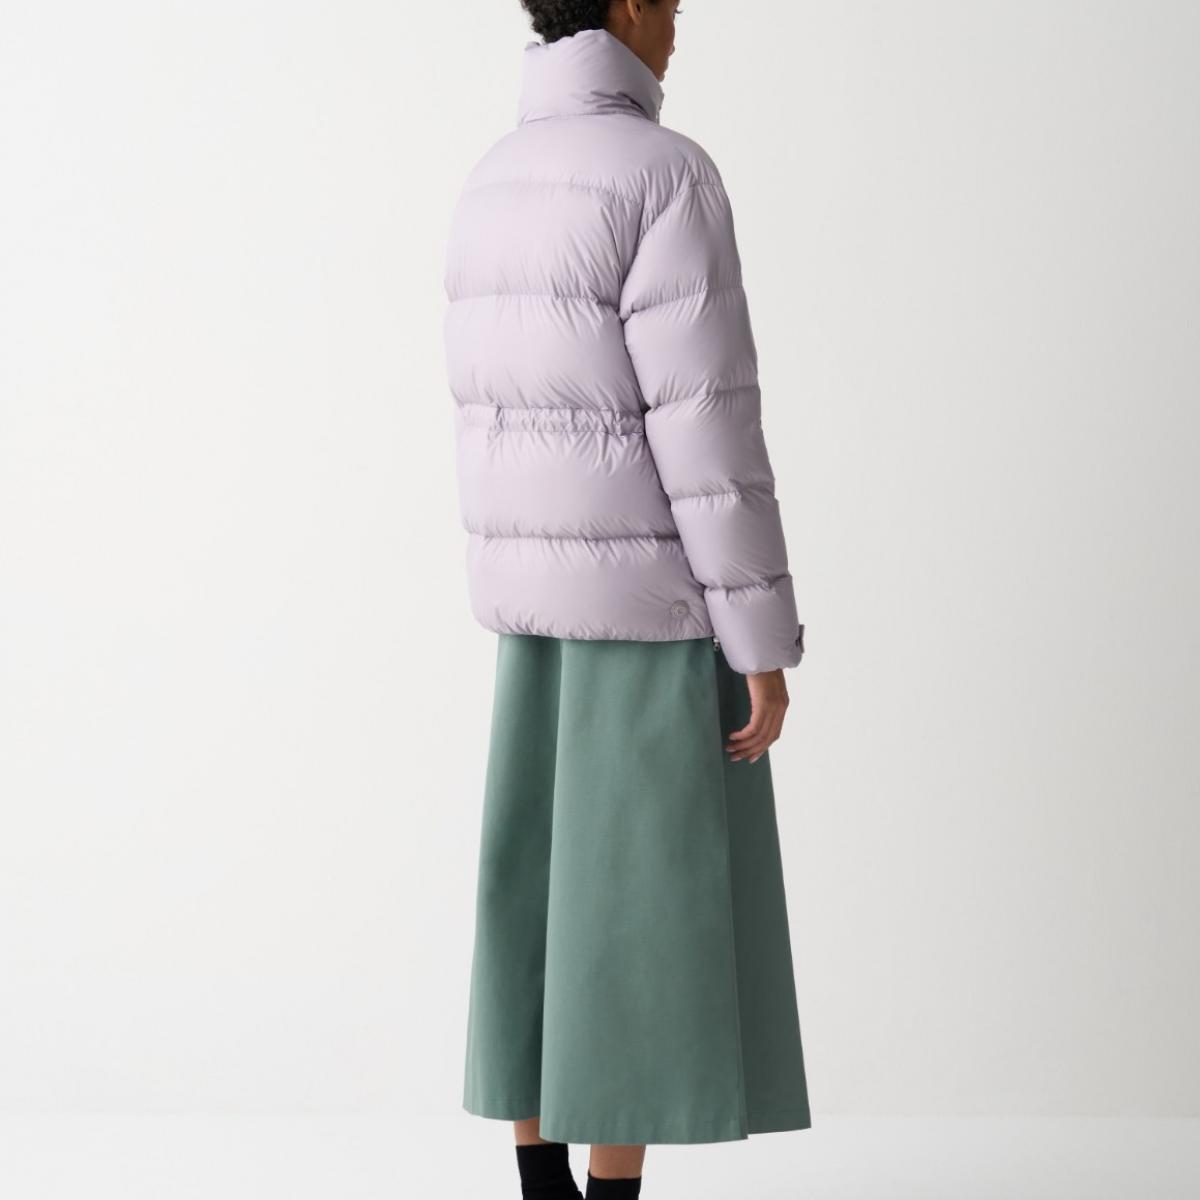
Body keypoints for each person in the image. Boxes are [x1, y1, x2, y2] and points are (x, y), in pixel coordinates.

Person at [443, 2, 811, 1196]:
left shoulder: (495, 178)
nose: (680, 21)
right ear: (630, 6)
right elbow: (708, 432)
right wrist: (760, 638)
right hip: (649, 607)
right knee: (634, 928)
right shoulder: (664, 175)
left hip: (534, 617)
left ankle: (541, 1191)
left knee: (538, 907)